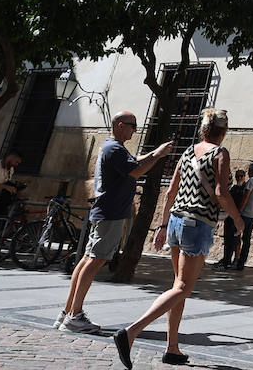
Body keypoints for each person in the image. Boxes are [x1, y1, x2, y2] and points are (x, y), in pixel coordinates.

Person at [112, 108, 243, 370]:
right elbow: (221, 192)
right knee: (183, 287)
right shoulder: (220, 153)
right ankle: (130, 333)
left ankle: (172, 348)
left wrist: (161, 225)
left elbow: (170, 190)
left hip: (175, 220)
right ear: (224, 132)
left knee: (177, 286)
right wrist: (238, 221)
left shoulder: (186, 152)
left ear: (203, 129)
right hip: (197, 224)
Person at [54, 112, 172, 334]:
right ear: (120, 125)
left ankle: (68, 311)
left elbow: (133, 161)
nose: (134, 130)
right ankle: (74, 316)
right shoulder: (114, 148)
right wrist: (157, 154)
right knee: (94, 260)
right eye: (132, 126)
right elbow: (136, 170)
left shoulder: (112, 147)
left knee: (88, 259)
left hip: (106, 211)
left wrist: (155, 153)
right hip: (111, 212)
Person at [217, 166, 249, 269]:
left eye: (241, 176)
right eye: (237, 176)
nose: (239, 178)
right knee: (227, 239)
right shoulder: (234, 188)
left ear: (244, 177)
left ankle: (236, 259)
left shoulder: (245, 189)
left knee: (236, 240)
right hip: (229, 217)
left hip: (237, 217)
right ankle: (226, 259)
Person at [234, 161, 253, 271]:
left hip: (246, 213)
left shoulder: (251, 181)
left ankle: (237, 260)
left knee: (238, 235)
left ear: (250, 171)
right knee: (247, 238)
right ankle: (242, 261)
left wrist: (239, 210)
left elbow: (246, 196)